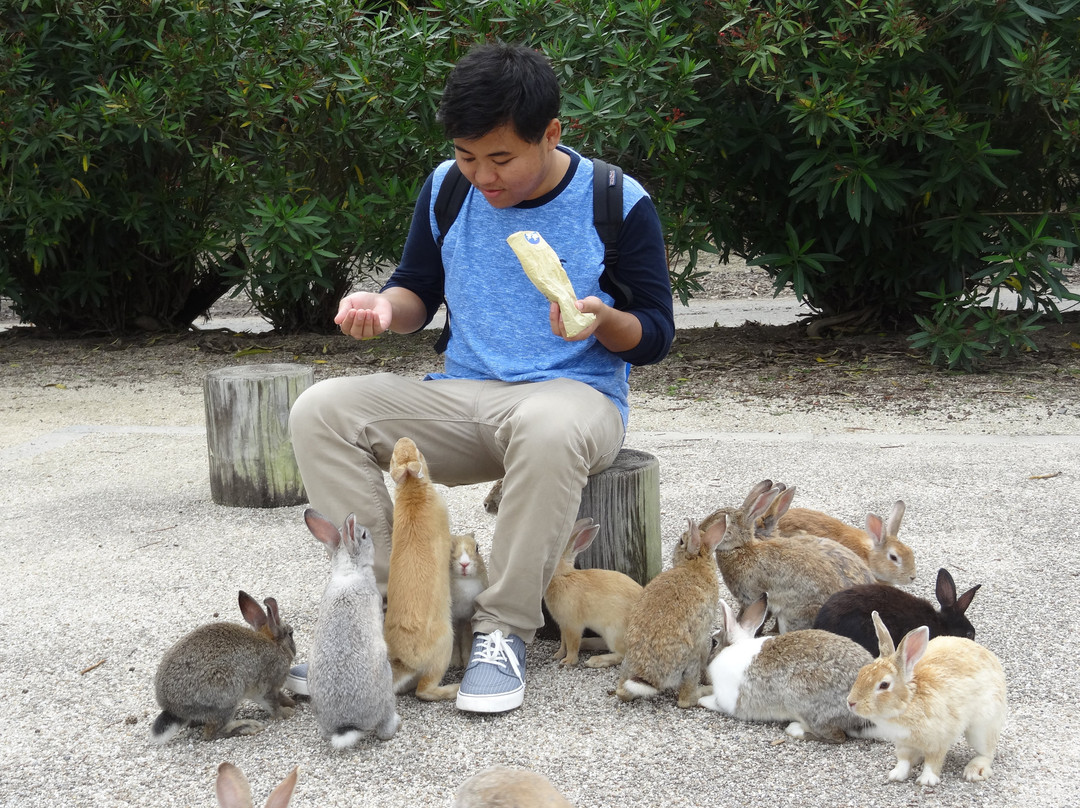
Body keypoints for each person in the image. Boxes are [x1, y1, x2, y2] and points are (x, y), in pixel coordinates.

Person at [287, 42, 674, 714]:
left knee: (548, 427)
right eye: (468, 156)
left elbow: (656, 336)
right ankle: (396, 616)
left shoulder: (616, 198)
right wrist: (383, 308)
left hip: (574, 398)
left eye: (501, 158)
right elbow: (415, 290)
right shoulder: (446, 188)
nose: (483, 176)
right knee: (320, 409)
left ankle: (502, 632)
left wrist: (602, 318)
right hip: (464, 394)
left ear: (551, 133)